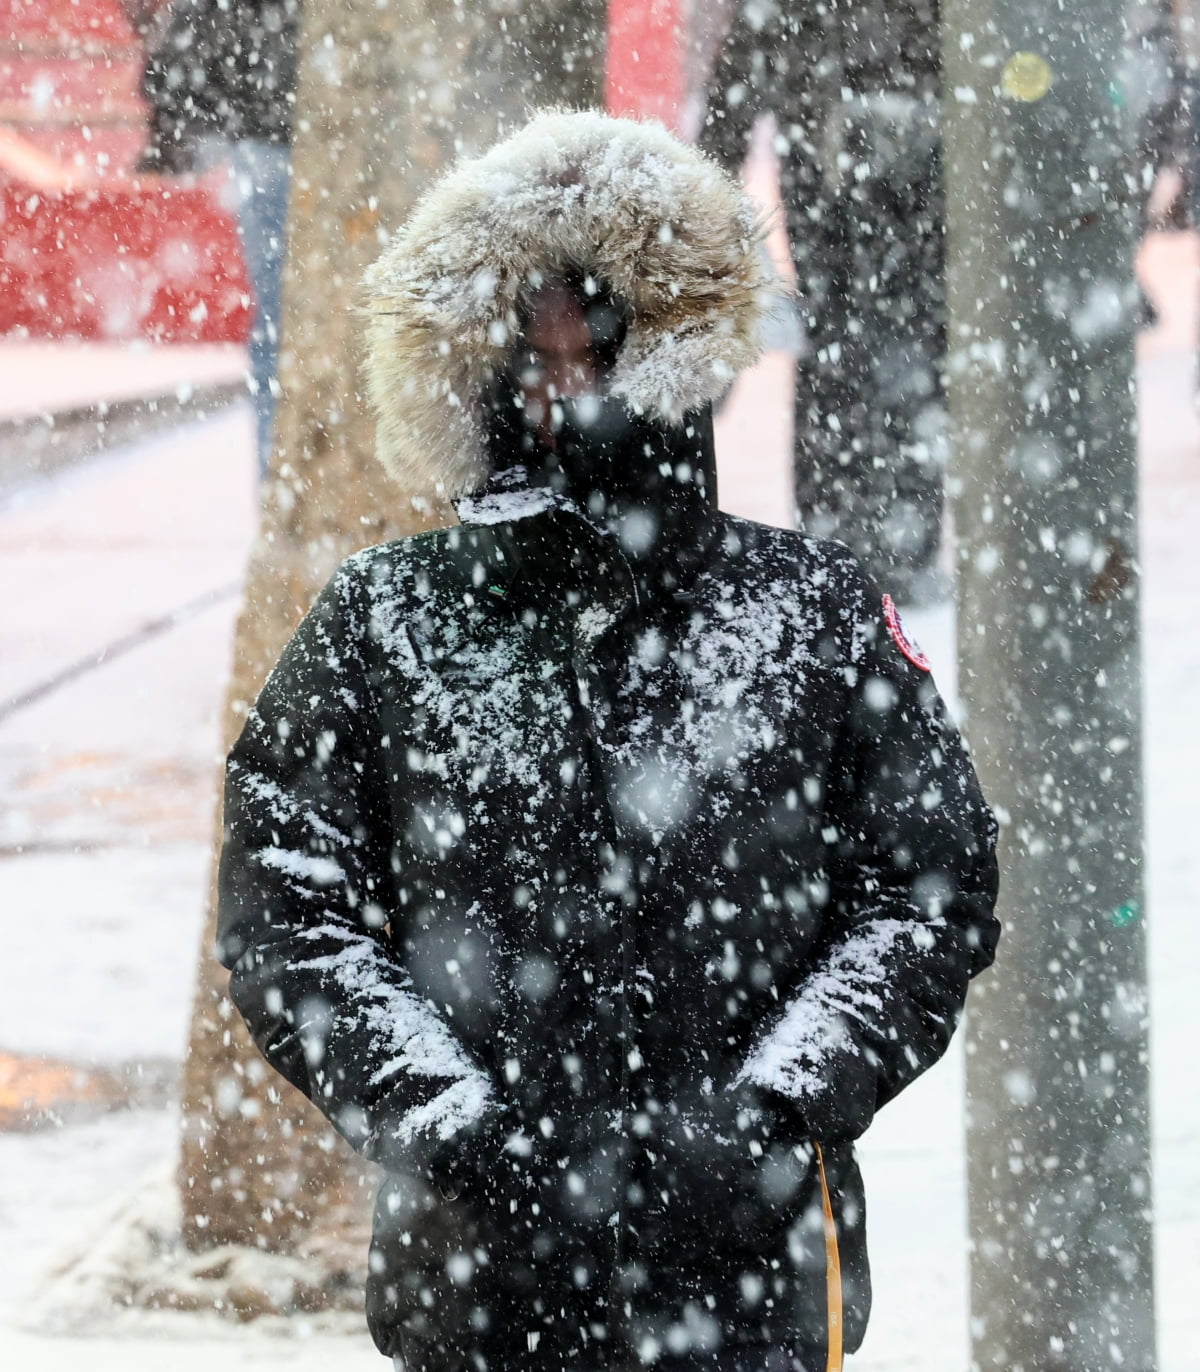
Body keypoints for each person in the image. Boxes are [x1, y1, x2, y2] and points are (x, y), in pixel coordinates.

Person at [216, 110, 1000, 1371]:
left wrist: (779, 1106)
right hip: (474, 1290)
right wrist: (448, 1121)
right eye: (525, 333)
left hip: (757, 1286)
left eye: (592, 321)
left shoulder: (810, 611)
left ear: (671, 346)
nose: (557, 368)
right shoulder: (382, 619)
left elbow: (927, 896)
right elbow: (290, 914)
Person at [700, 2, 947, 605]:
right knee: (882, 357)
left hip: (850, 180)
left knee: (851, 358)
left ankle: (854, 535)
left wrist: (710, 167)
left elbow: (736, 88)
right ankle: (875, 535)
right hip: (868, 186)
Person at [138, 0, 299, 475]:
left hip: (268, 123)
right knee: (289, 317)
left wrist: (170, 108)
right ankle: (286, 477)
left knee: (278, 318)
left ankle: (278, 476)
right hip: (300, 118)